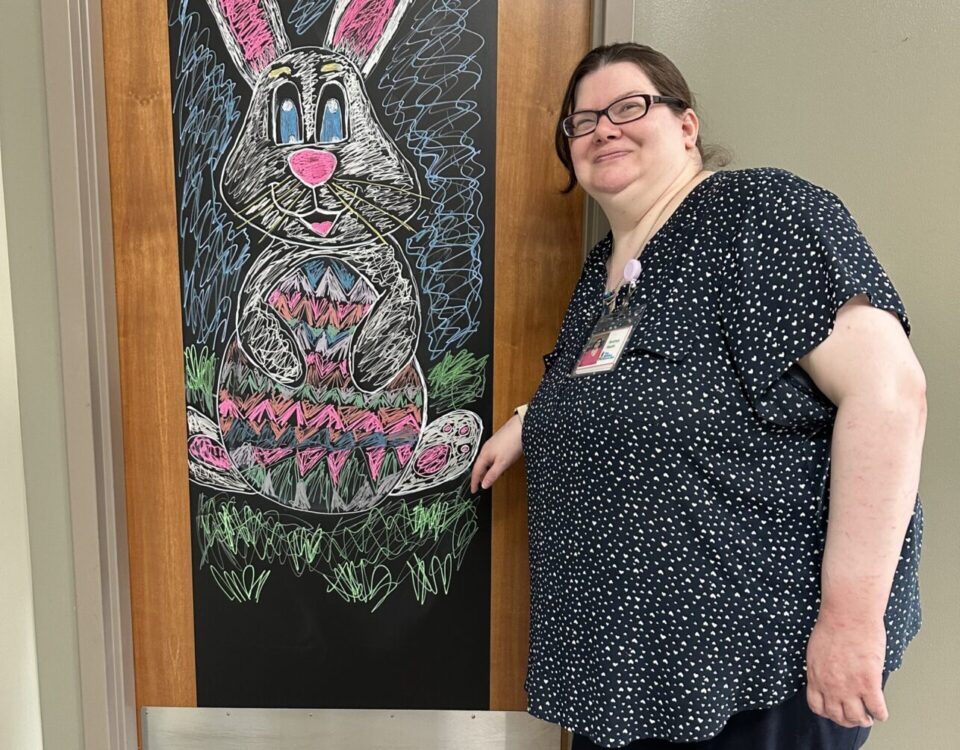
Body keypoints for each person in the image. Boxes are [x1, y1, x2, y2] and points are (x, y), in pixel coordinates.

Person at [470, 43, 925, 750]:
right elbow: (622, 391)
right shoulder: (606, 272)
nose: (602, 129)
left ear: (686, 126)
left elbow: (890, 395)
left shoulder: (757, 213)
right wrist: (531, 422)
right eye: (582, 121)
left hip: (748, 667)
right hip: (628, 673)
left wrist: (850, 621)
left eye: (629, 107)